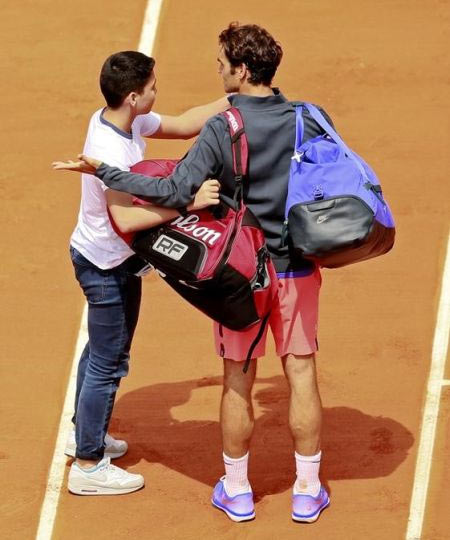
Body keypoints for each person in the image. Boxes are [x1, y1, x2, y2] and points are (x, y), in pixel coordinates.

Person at [54, 25, 332, 521]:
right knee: (302, 373)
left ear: (242, 70)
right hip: (296, 268)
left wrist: (106, 172)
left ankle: (238, 489)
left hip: (242, 273)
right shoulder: (308, 117)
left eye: (223, 63)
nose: (217, 70)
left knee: (236, 379)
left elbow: (177, 185)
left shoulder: (220, 130)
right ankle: (308, 490)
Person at [54, 50, 226, 496]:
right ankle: (88, 466)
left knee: (99, 355)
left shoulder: (121, 119)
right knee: (109, 363)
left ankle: (84, 434)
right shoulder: (111, 150)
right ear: (133, 96)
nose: (157, 91)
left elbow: (188, 123)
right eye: (152, 86)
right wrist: (188, 205)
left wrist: (238, 98)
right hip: (105, 267)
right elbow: (127, 221)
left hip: (109, 260)